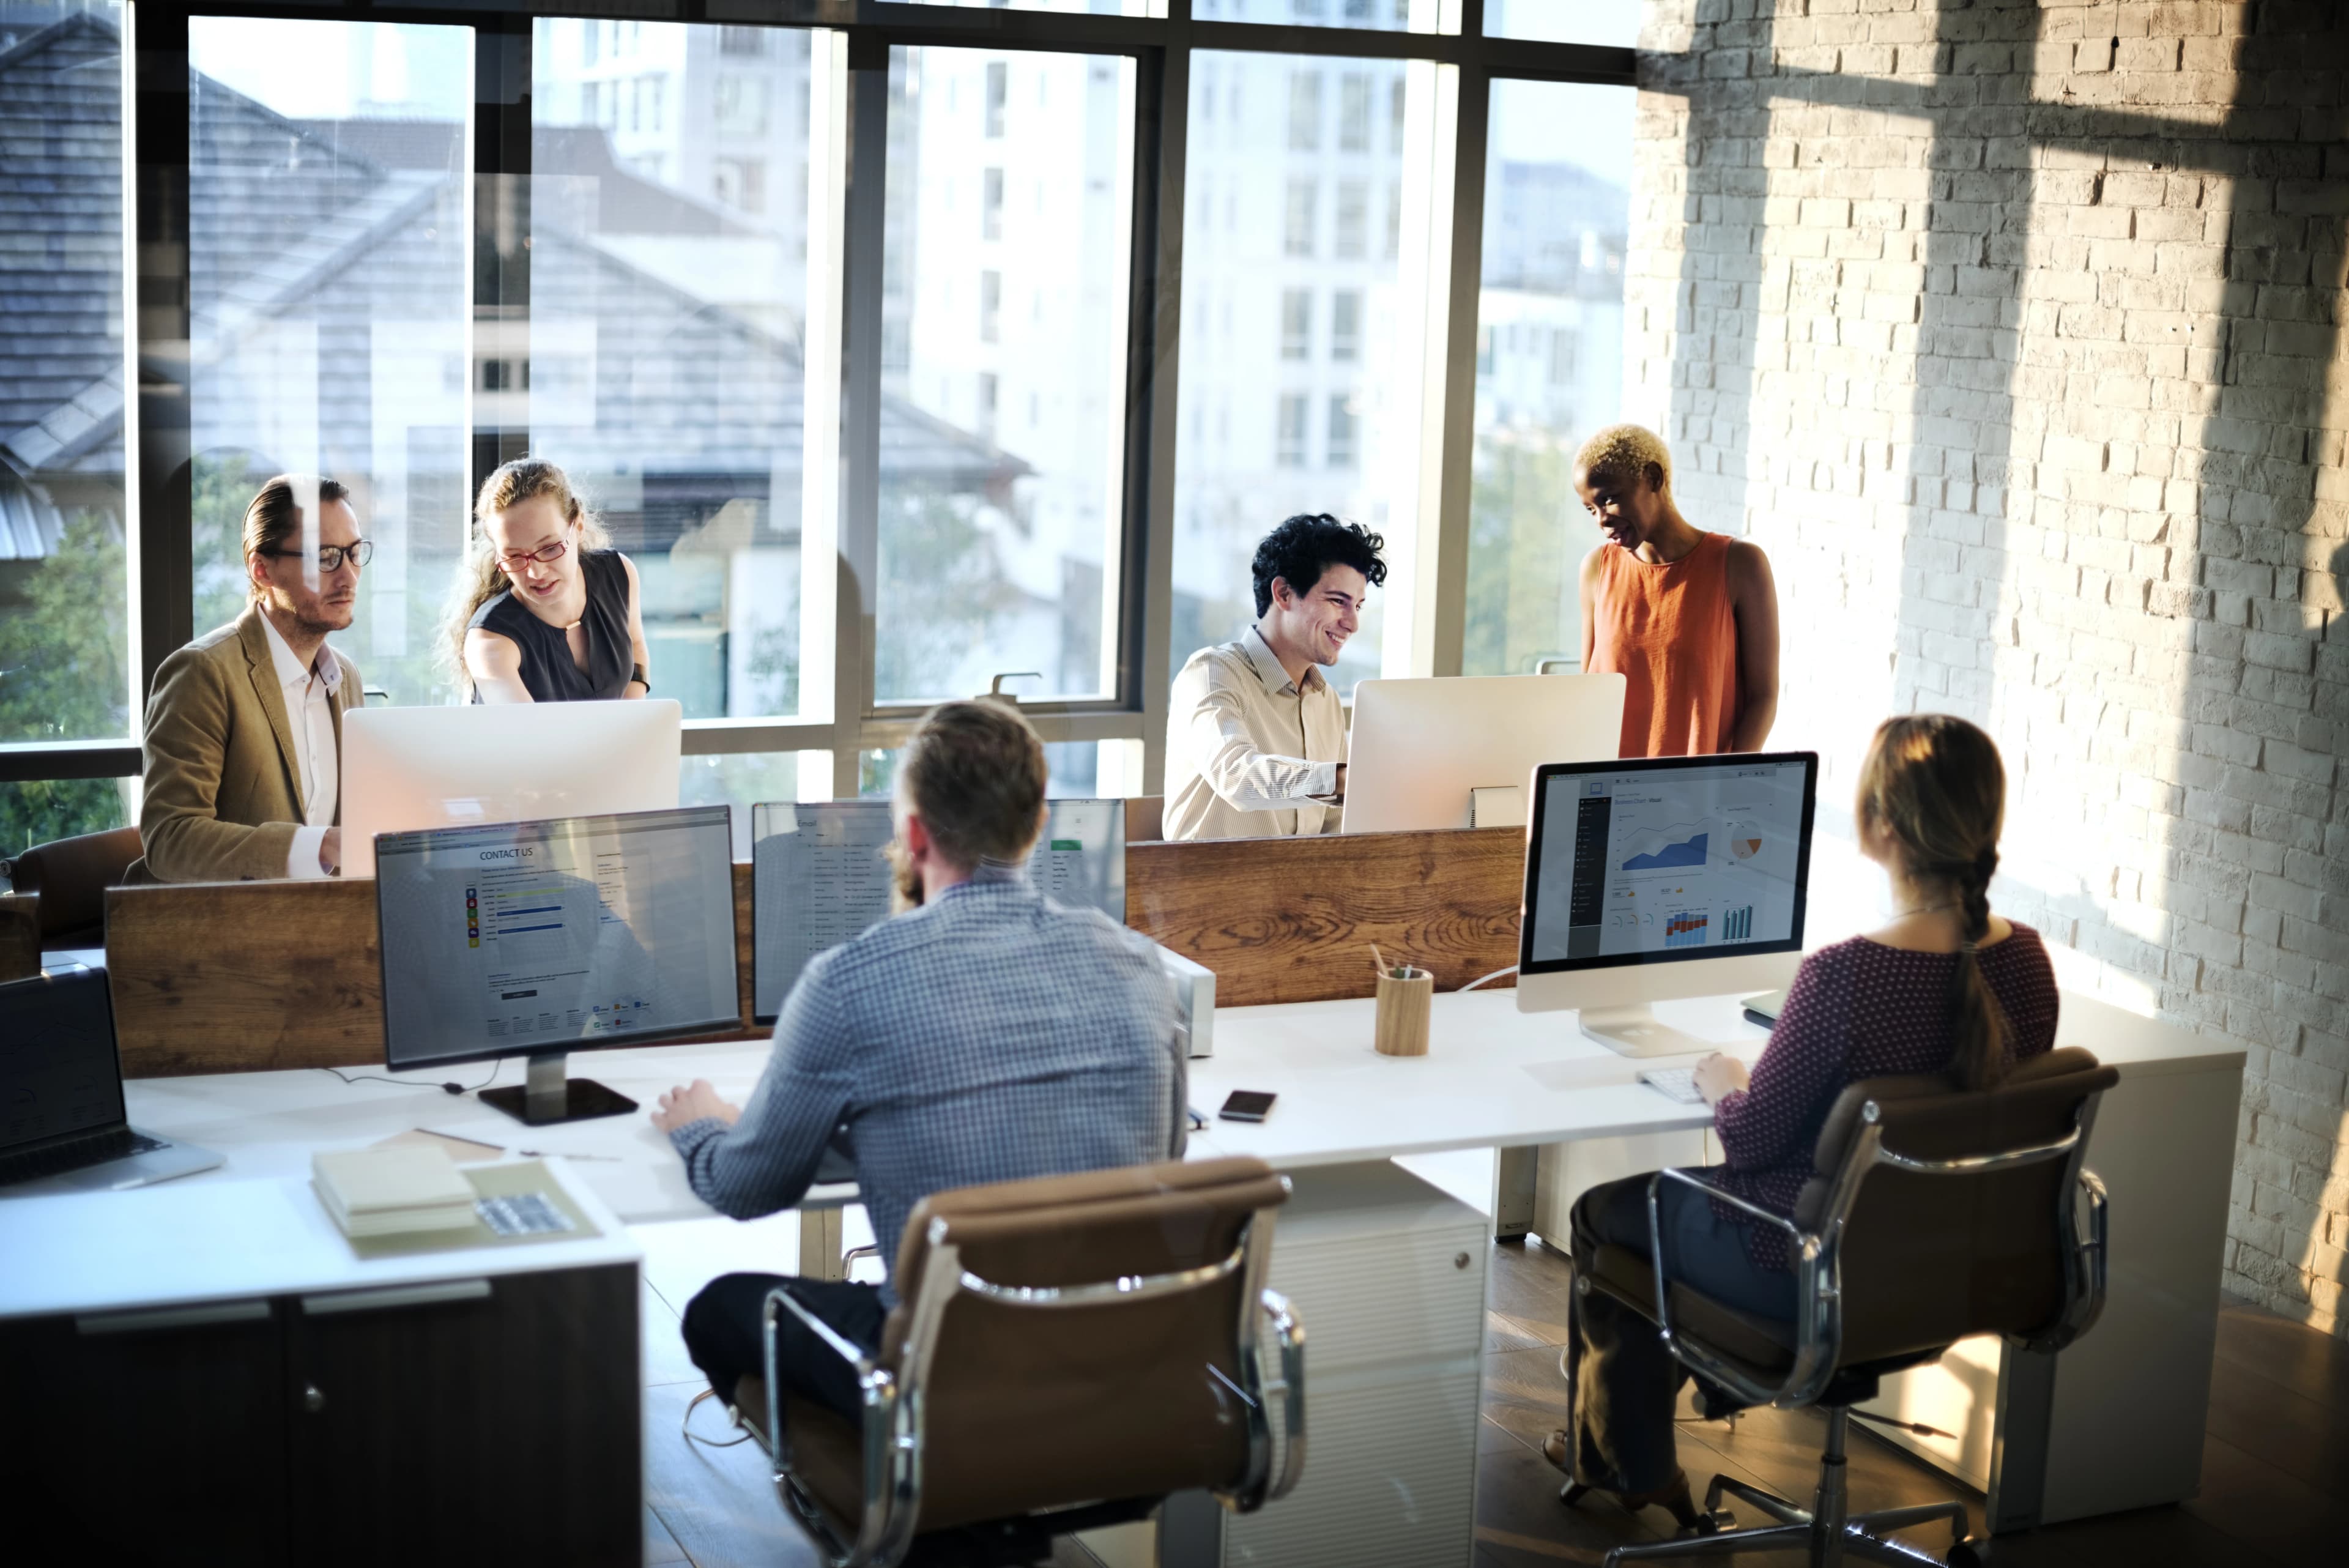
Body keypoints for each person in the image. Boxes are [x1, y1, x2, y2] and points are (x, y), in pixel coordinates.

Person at [1543, 714, 2058, 1523]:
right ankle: (1628, 1439)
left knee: (1605, 1213)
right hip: (1948, 1271)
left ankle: (1625, 1458)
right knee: (1648, 1219)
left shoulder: (1844, 975)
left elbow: (1748, 1142)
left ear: (1880, 822)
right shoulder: (2026, 959)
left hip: (1798, 1262)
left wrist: (1726, 1080)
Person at [650, 699, 1185, 1417]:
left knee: (719, 1308)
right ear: (1037, 826)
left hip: (944, 1372)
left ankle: (895, 1493)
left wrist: (702, 1125)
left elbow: (749, 1190)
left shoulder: (848, 982)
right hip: (1110, 1357)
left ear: (911, 833)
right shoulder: (1140, 963)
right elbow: (1167, 1156)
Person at [132, 475, 369, 883]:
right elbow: (170, 838)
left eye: (354, 553)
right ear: (262, 569)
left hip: (326, 929)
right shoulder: (203, 672)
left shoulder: (345, 677)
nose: (348, 575)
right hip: (226, 934)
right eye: (325, 556)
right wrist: (320, 845)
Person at [1162, 513, 1386, 840]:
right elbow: (1236, 776)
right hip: (1209, 888)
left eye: (1358, 606)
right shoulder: (1212, 673)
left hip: (1297, 889)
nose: (1352, 623)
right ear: (1283, 593)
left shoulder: (1325, 701)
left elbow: (1336, 832)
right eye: (1339, 601)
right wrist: (1343, 781)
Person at [1575, 424, 1779, 757]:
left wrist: (1731, 780)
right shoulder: (1596, 570)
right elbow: (1589, 691)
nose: (1600, 519)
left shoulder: (1740, 565)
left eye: (1608, 500)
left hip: (1702, 792)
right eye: (1590, 509)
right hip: (1609, 790)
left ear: (1654, 479)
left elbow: (1764, 696)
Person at [449, 458, 651, 704]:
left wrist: (633, 724)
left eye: (550, 548)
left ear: (578, 526)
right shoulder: (489, 642)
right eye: (514, 556)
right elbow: (531, 736)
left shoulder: (619, 575)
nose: (536, 573)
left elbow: (636, 647)